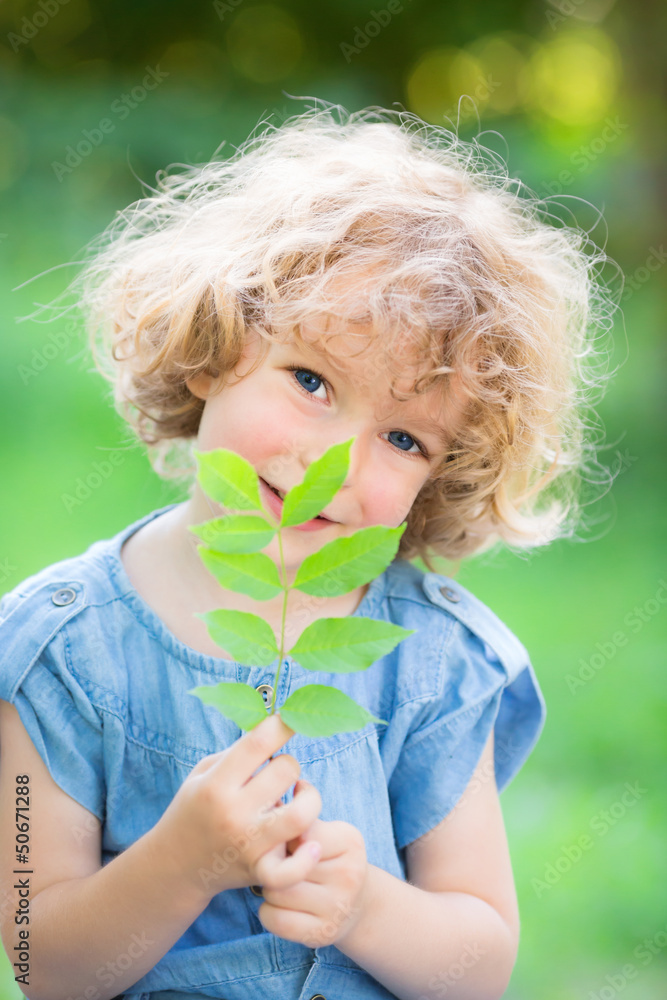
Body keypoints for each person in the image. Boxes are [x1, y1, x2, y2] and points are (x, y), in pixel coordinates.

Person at [0, 100, 617, 1000]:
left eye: (405, 439)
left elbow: (477, 966)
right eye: (313, 380)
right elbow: (36, 958)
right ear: (216, 348)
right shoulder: (60, 650)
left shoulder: (431, 660)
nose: (333, 465)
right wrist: (182, 863)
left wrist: (360, 904)